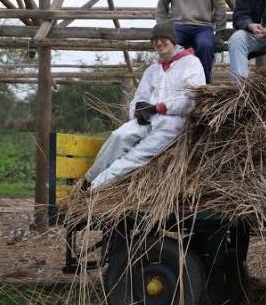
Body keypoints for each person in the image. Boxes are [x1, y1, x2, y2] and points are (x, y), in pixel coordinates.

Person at [82, 22, 205, 190]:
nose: (159, 43)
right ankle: (88, 179)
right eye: (155, 40)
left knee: (136, 156)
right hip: (148, 118)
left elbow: (191, 98)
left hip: (173, 123)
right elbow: (139, 97)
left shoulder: (191, 63)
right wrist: (138, 109)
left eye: (163, 38)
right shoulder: (153, 69)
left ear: (173, 40)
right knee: (119, 136)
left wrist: (159, 107)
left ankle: (93, 189)